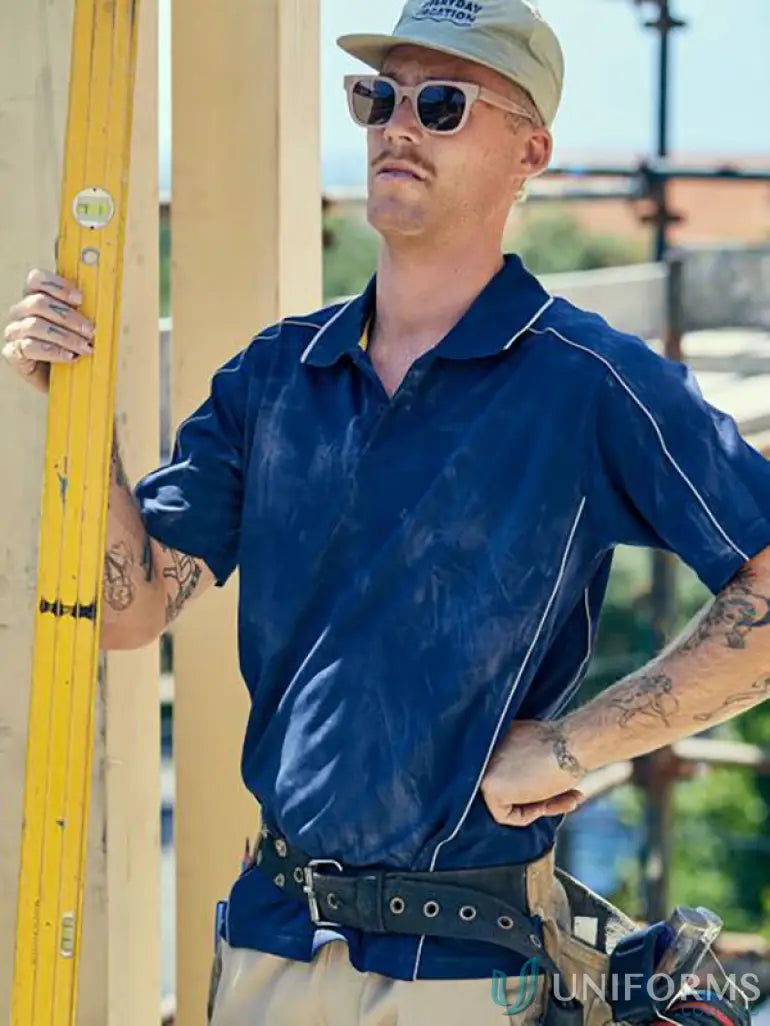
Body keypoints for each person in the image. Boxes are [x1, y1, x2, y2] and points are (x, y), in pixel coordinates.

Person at [4, 1, 770, 1024]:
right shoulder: (275, 376)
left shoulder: (588, 382)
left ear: (528, 151)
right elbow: (130, 610)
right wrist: (82, 417)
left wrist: (577, 742)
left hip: (462, 973)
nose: (396, 125)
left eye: (442, 103)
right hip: (270, 945)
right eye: (377, 97)